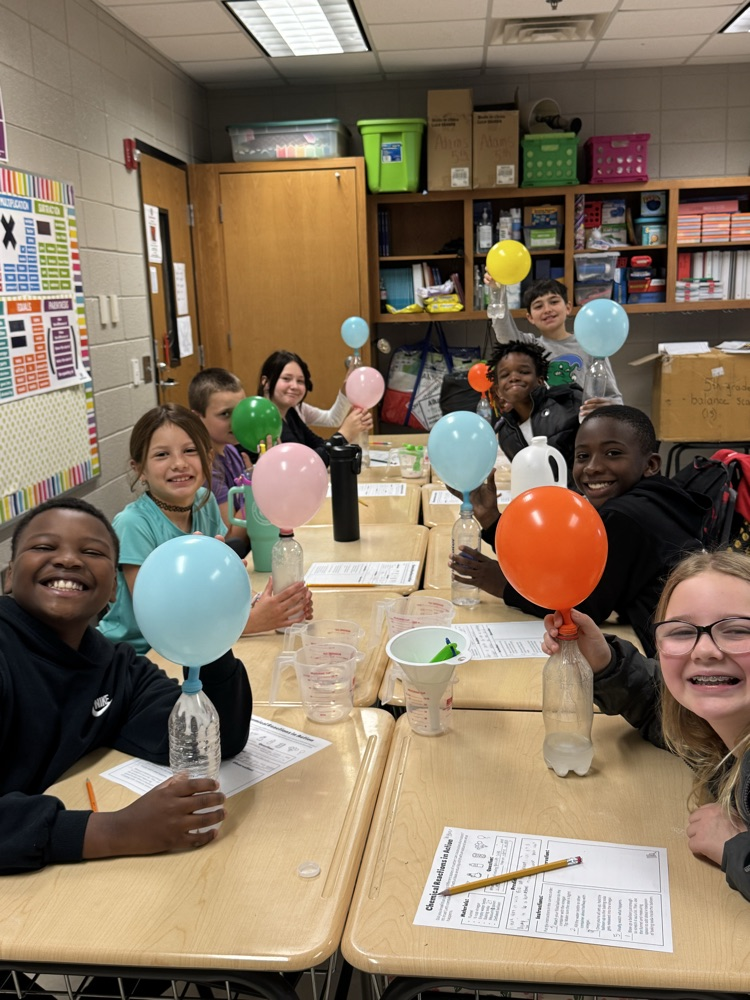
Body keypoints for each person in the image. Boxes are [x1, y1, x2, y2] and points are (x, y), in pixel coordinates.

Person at [0, 496, 253, 874]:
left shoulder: (115, 667)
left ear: (114, 590)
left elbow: (219, 738)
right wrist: (116, 831)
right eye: (44, 547)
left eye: (91, 552)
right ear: (8, 576)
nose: (68, 559)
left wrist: (207, 620)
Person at [542, 550, 750, 903]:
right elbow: (666, 710)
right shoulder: (717, 721)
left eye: (737, 630)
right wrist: (605, 662)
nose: (705, 651)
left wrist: (736, 848)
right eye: (681, 632)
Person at [450, 405, 709, 656]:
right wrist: (491, 520)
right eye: (583, 456)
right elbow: (562, 565)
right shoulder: (659, 497)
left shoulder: (625, 516)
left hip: (674, 660)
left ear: (650, 464)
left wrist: (502, 585)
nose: (592, 467)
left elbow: (583, 607)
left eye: (613, 453)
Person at [98, 404, 311, 653]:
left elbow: (214, 588)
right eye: (162, 455)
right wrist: (252, 621)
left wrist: (272, 602)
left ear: (208, 459)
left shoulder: (204, 502)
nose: (179, 463)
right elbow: (160, 619)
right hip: (139, 654)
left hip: (192, 644)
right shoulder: (133, 524)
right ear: (140, 469)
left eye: (190, 451)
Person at [486, 277, 623, 419]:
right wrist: (497, 291)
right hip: (545, 427)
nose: (547, 310)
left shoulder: (590, 345)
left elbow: (615, 399)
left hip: (583, 425)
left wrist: (607, 406)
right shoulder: (530, 348)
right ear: (530, 317)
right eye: (538, 306)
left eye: (554, 302)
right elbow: (504, 333)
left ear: (568, 307)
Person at [488, 339, 582, 476]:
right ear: (498, 391)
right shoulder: (505, 433)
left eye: (524, 372)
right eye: (505, 375)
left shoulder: (568, 402)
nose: (514, 377)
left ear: (540, 380)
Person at [257, 350, 372, 463]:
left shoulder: (290, 412)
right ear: (265, 382)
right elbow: (303, 463)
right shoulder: (264, 420)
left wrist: (351, 431)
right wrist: (344, 435)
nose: (294, 386)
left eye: (300, 381)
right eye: (286, 379)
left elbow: (318, 444)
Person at [188, 367, 250, 553]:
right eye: (225, 414)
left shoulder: (230, 449)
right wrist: (257, 490)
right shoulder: (207, 469)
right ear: (197, 418)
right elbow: (231, 537)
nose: (237, 421)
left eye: (240, 411)